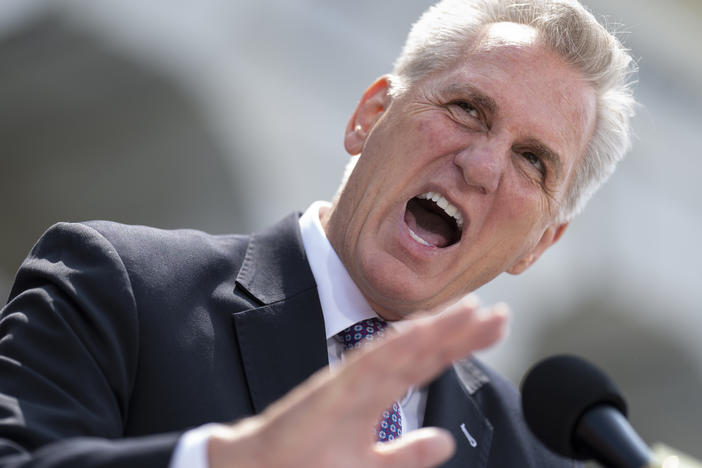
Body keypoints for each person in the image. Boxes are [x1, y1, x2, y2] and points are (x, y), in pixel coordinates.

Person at [0, 0, 636, 467]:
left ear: (539, 245)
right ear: (370, 116)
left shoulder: (531, 453)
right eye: (468, 109)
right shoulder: (119, 285)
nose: (483, 166)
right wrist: (228, 462)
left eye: (533, 161)